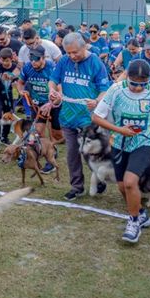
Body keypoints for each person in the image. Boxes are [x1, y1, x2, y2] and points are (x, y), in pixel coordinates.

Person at [91, 59, 150, 243]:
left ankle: (133, 223)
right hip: (119, 142)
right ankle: (140, 213)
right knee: (123, 186)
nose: (138, 88)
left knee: (131, 182)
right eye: (134, 84)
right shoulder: (115, 90)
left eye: (142, 84)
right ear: (127, 77)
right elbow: (97, 117)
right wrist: (119, 130)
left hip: (144, 141)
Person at [48, 33, 111, 200]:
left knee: (89, 154)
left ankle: (98, 180)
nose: (72, 56)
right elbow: (53, 79)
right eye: (68, 52)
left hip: (88, 119)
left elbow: (105, 88)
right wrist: (52, 91)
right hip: (68, 117)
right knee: (72, 153)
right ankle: (77, 187)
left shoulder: (96, 62)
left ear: (84, 46)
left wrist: (97, 101)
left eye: (75, 52)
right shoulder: (63, 61)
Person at [17, 46, 58, 173]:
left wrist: (51, 103)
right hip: (37, 104)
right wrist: (21, 91)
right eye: (31, 59)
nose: (33, 62)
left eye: (36, 59)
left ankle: (53, 152)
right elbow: (20, 82)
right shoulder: (27, 67)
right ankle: (47, 158)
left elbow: (60, 88)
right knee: (39, 131)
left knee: (55, 134)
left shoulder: (52, 68)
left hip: (54, 103)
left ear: (43, 57)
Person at [0, 48, 19, 145]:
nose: (5, 63)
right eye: (3, 60)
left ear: (12, 59)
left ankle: (4, 137)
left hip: (9, 95)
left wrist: (16, 87)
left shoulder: (15, 68)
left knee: (9, 115)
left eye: (7, 61)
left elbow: (18, 81)